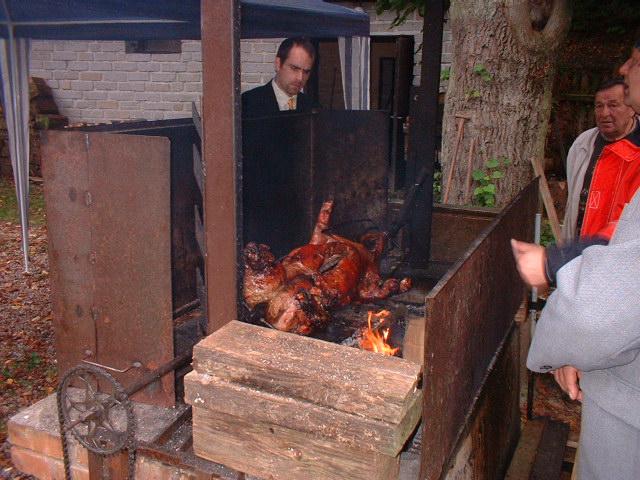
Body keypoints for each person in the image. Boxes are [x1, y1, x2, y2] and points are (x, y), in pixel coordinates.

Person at [511, 42, 640, 480]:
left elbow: (620, 266)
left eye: (635, 60)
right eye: (599, 105)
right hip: (602, 312)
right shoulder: (585, 145)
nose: (625, 65)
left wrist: (554, 263)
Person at [563, 78, 640, 242]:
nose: (604, 113)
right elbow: (573, 202)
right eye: (599, 106)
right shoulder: (583, 145)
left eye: (613, 105)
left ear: (632, 108)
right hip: (579, 248)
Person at [242, 37, 316, 118]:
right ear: (278, 64)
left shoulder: (312, 107)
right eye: (294, 68)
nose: (300, 78)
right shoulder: (247, 103)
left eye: (306, 72)